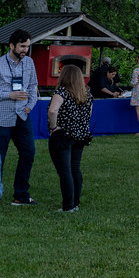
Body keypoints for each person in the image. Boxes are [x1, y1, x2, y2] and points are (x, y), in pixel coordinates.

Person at [47, 65, 92, 212]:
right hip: (80, 135)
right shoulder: (87, 93)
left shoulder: (61, 92)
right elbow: (89, 114)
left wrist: (54, 128)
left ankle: (68, 205)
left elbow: (53, 110)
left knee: (65, 171)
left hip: (63, 135)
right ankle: (75, 203)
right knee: (75, 168)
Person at [1, 29, 39, 205]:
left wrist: (30, 106)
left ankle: (21, 195)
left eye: (28, 46)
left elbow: (33, 86)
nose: (25, 49)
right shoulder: (0, 63)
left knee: (28, 153)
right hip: (2, 117)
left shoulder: (29, 63)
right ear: (12, 45)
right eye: (22, 46)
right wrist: (10, 95)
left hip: (23, 116)